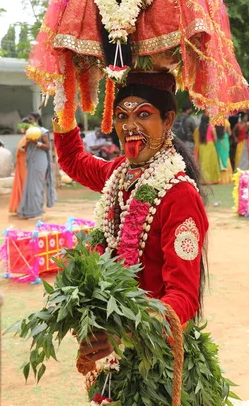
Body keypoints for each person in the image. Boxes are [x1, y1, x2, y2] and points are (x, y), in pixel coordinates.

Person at [52, 72, 223, 399]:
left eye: (143, 114)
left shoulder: (179, 196)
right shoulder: (117, 175)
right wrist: (64, 102)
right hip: (113, 362)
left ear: (168, 119)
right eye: (121, 116)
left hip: (155, 362)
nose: (130, 125)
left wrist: (122, 332)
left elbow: (183, 298)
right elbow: (74, 160)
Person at [17, 116, 56, 219]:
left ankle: (37, 211)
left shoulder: (42, 132)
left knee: (36, 186)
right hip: (32, 161)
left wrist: (36, 143)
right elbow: (26, 148)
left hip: (40, 161)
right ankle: (29, 211)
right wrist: (27, 143)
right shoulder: (30, 133)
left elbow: (48, 147)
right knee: (30, 186)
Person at [193, 114, 220, 184]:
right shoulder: (211, 127)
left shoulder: (198, 129)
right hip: (210, 145)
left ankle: (204, 180)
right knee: (212, 162)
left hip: (202, 146)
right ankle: (212, 180)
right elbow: (215, 138)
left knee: (203, 163)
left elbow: (197, 139)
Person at [9, 121, 29, 214]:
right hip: (21, 164)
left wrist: (19, 148)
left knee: (24, 183)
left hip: (24, 164)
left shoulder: (27, 138)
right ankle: (20, 206)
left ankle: (25, 206)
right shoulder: (24, 138)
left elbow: (25, 149)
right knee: (21, 183)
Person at [215, 120, 233, 184]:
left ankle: (220, 178)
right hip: (224, 140)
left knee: (219, 156)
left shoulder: (214, 121)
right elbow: (230, 133)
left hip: (218, 141)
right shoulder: (226, 122)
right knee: (226, 157)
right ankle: (227, 178)